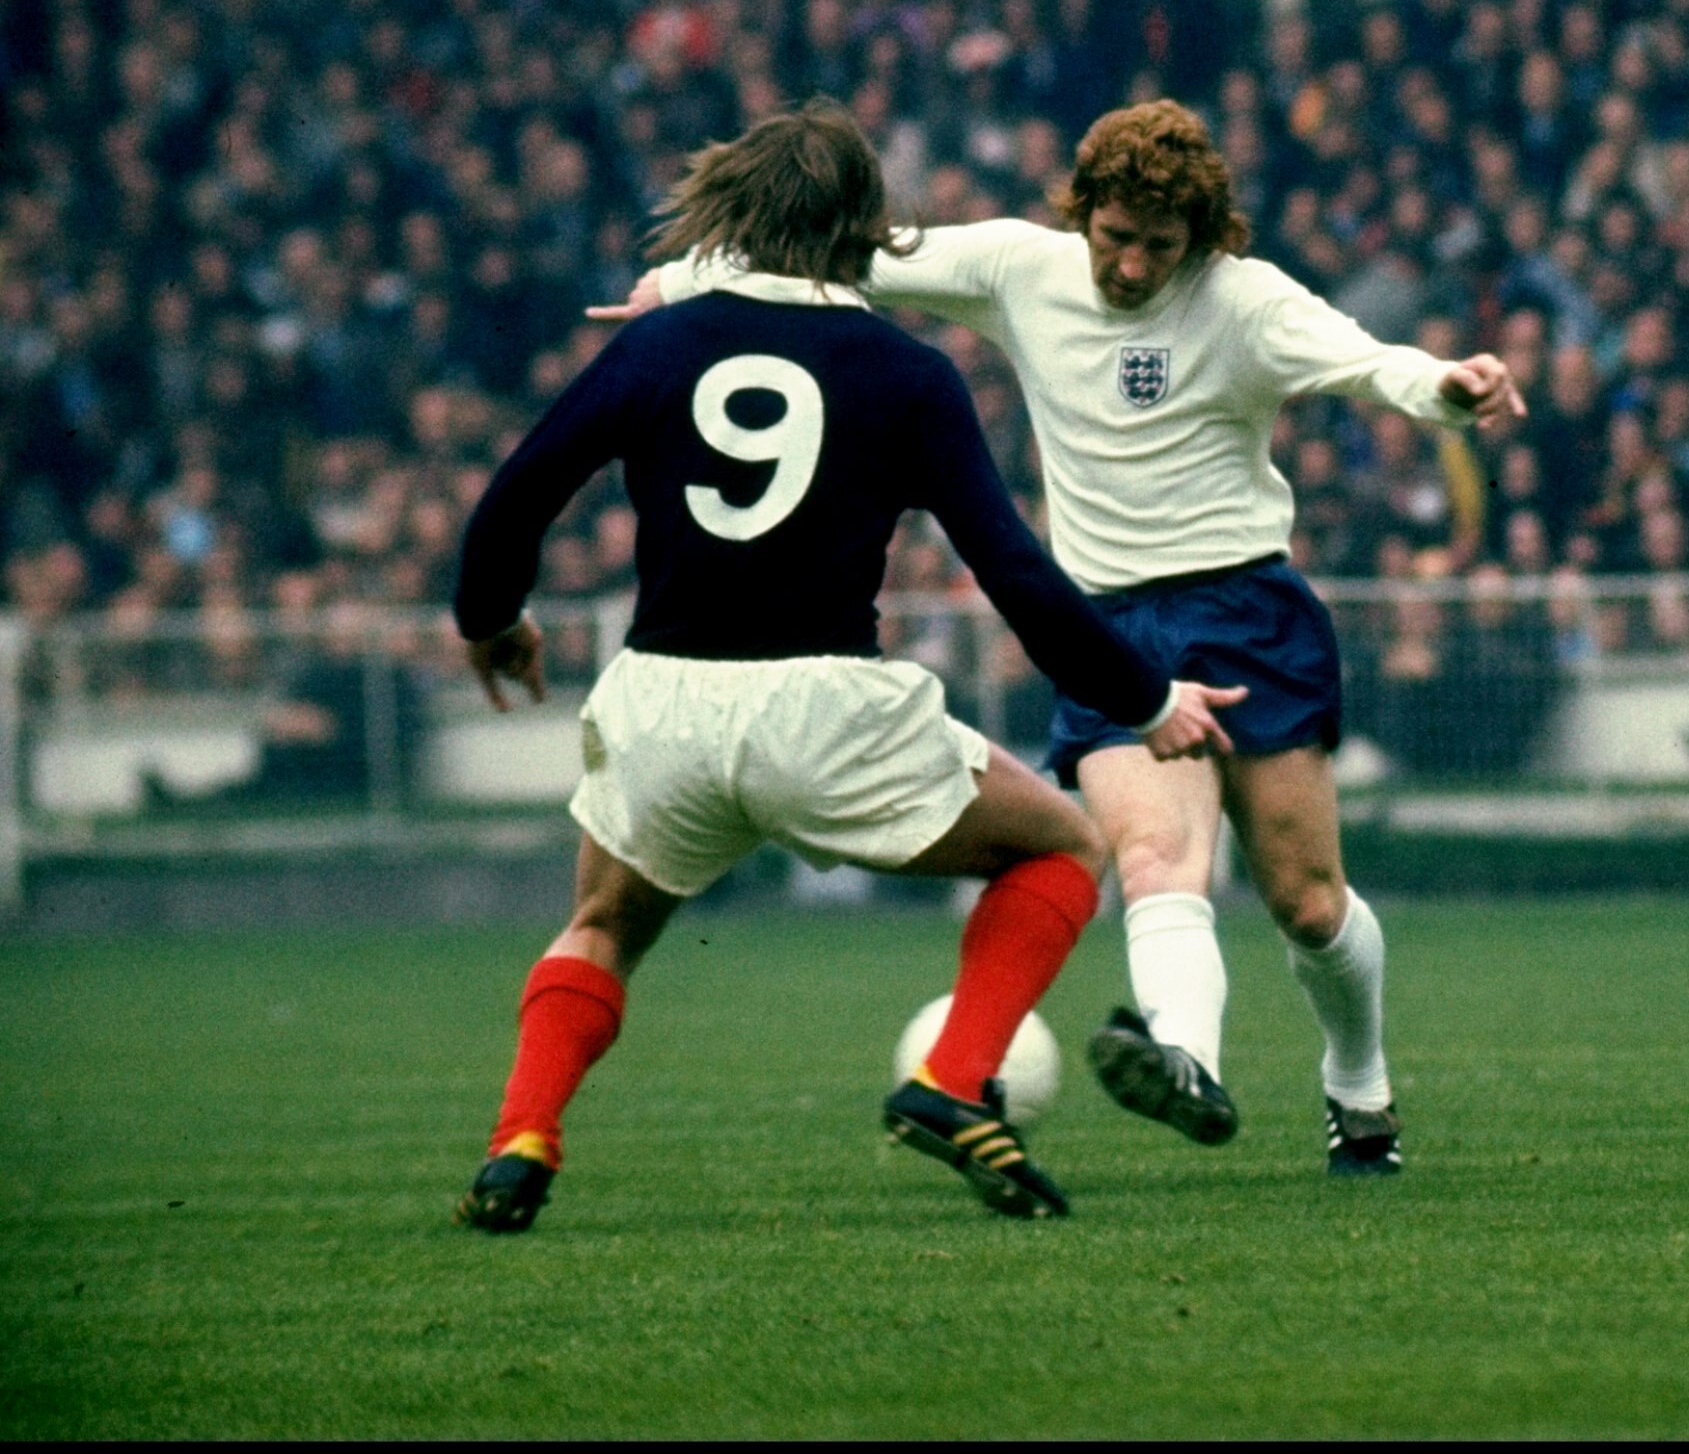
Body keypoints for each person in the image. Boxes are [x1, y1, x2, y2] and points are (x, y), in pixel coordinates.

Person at [603, 100, 1524, 1176]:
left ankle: (1358, 1087)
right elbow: (847, 259)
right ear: (1082, 211)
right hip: (1111, 628)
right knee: (1154, 856)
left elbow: (1370, 363)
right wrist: (683, 283)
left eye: (1159, 247)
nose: (1130, 265)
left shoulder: (1246, 301)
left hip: (1246, 611)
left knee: (1308, 901)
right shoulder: (1015, 266)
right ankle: (1184, 1061)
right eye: (1114, 236)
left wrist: (1449, 389)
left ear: (1204, 237)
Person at [451, 103, 1241, 1234]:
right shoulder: (905, 374)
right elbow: (1017, 572)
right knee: (1062, 846)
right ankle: (950, 1081)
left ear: (729, 214)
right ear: (868, 230)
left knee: (604, 925)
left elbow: (514, 498)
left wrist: (493, 618)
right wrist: (1146, 697)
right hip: (827, 708)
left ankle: (521, 1139)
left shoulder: (656, 345)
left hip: (663, 703)